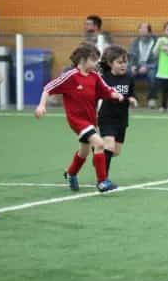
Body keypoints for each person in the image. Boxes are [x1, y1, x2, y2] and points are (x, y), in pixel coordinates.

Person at [34, 42, 124, 192]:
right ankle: (102, 182)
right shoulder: (70, 76)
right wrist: (41, 105)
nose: (96, 64)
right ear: (83, 60)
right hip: (77, 120)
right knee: (99, 144)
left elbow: (106, 90)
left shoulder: (95, 76)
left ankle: (71, 173)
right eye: (94, 60)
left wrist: (116, 95)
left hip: (90, 119)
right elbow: (48, 88)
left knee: (84, 152)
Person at [98, 45, 138, 176]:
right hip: (107, 117)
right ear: (110, 63)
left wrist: (132, 99)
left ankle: (98, 151)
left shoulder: (129, 77)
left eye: (125, 62)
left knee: (115, 151)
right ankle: (103, 179)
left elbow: (131, 94)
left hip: (122, 119)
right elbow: (95, 95)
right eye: (119, 62)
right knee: (109, 146)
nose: (123, 65)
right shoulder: (103, 78)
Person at [129, 23, 158, 108]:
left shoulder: (156, 41)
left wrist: (147, 67)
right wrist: (132, 66)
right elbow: (131, 56)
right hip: (137, 65)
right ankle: (133, 99)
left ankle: (152, 99)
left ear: (149, 31)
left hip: (150, 66)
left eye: (144, 29)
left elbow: (157, 59)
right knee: (127, 74)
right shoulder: (135, 41)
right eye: (140, 29)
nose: (142, 31)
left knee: (153, 75)